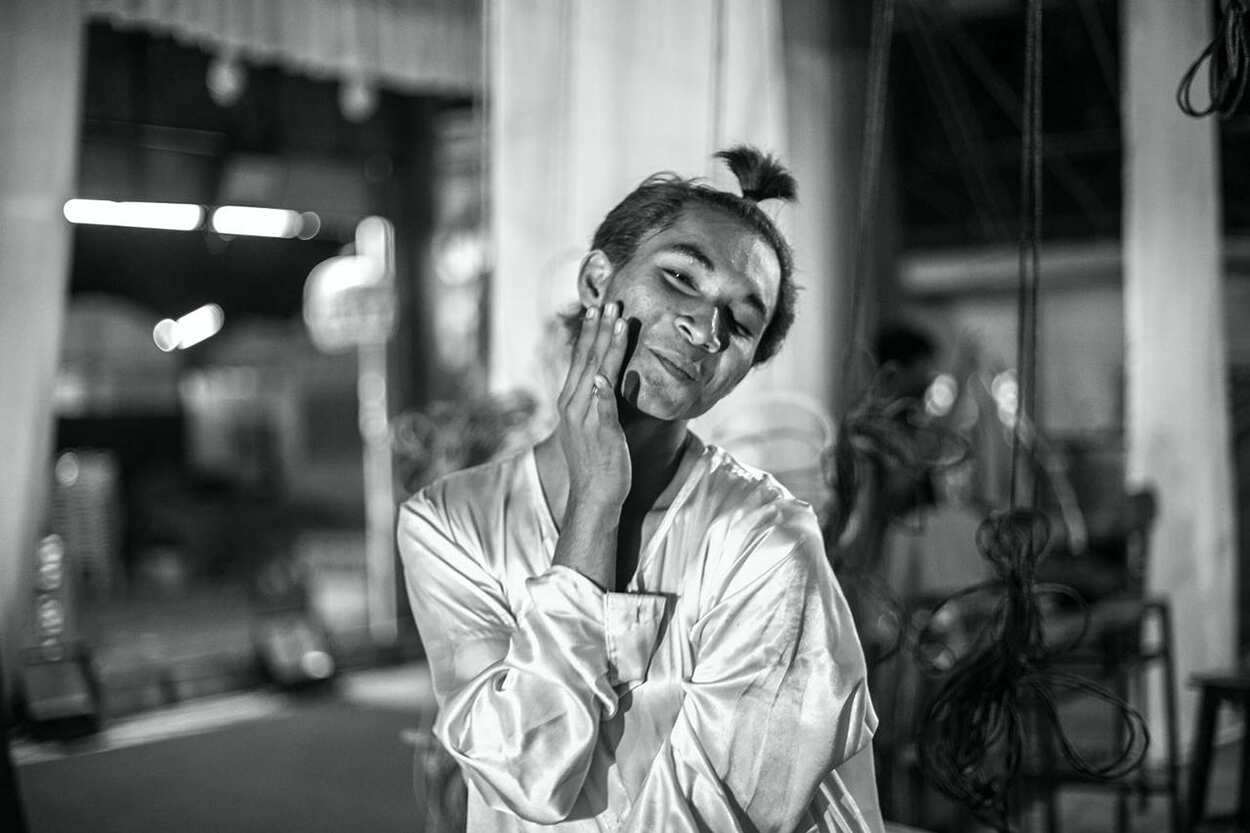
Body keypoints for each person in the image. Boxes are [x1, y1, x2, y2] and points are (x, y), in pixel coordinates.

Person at [398, 147, 883, 832]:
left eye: (742, 322)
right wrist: (595, 502)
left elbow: (721, 813)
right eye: (681, 277)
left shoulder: (764, 542)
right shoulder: (450, 521)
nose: (704, 330)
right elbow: (524, 772)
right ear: (597, 280)